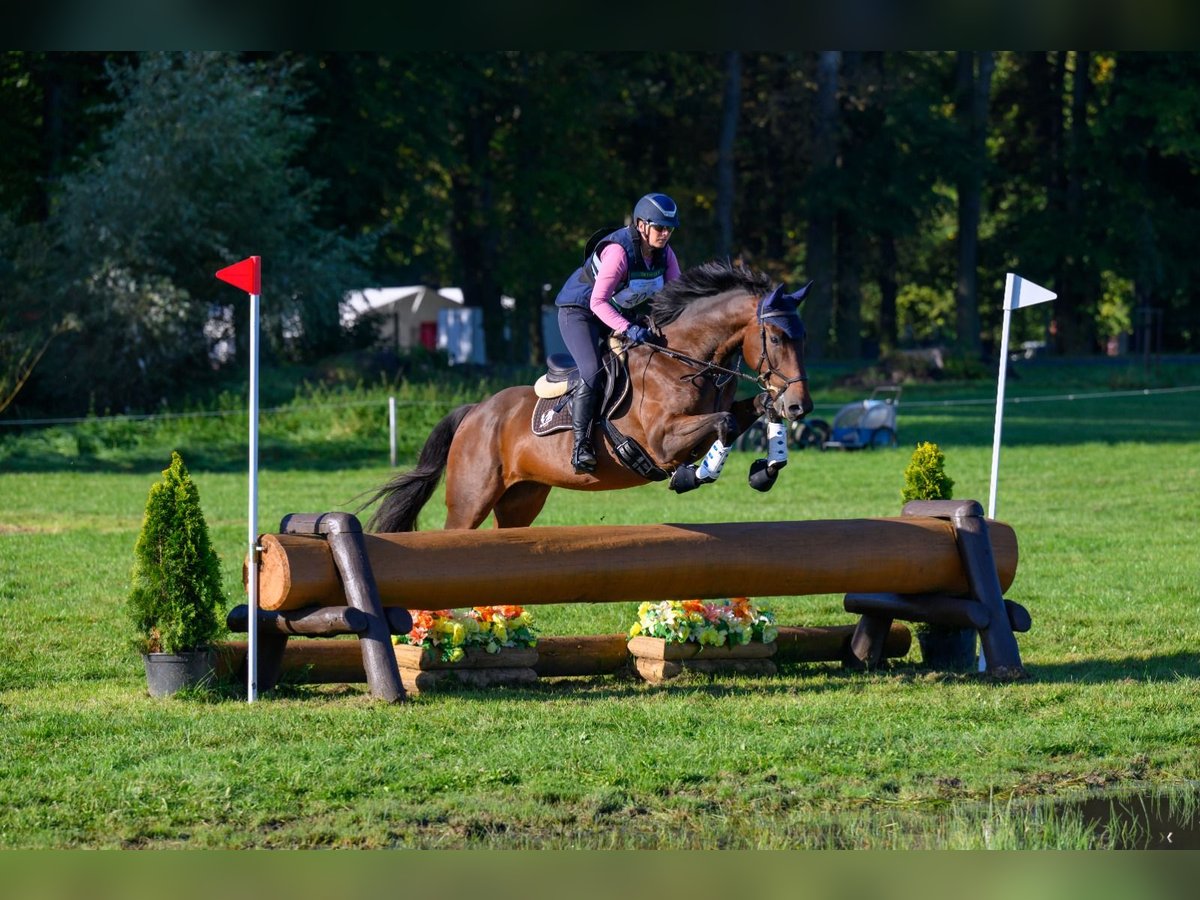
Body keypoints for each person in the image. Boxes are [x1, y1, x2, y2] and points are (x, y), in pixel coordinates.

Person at [554, 192, 682, 473]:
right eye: (659, 227)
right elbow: (597, 302)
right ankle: (581, 447)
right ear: (641, 225)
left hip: (616, 313)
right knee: (592, 371)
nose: (665, 234)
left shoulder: (665, 254)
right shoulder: (619, 251)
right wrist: (627, 327)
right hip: (580, 311)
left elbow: (677, 299)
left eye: (669, 229)